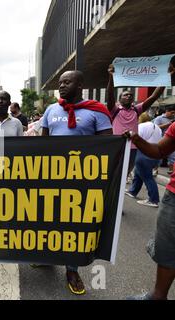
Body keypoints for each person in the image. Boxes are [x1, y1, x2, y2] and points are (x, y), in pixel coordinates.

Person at [41, 70, 113, 295]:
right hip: (52, 177)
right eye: (60, 83)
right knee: (50, 220)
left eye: (67, 82)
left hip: (81, 180)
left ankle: (71, 269)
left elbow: (108, 146)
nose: (61, 86)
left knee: (74, 225)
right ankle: (47, 257)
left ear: (80, 84)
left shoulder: (96, 111)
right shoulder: (51, 110)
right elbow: (42, 143)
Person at [127, 122, 175, 300]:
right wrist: (137, 139)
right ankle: (157, 296)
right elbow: (159, 151)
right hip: (174, 198)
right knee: (167, 248)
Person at [107, 64, 166, 177]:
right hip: (117, 146)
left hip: (133, 147)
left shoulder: (137, 109)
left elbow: (153, 97)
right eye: (125, 95)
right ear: (119, 99)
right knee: (114, 174)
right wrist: (111, 76)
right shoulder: (115, 110)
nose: (129, 96)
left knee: (125, 174)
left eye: (130, 95)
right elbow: (110, 95)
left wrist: (165, 78)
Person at [125, 113, 162, 207]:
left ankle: (153, 200)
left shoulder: (141, 126)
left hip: (143, 154)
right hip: (155, 153)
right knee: (138, 172)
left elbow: (135, 139)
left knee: (147, 177)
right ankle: (133, 191)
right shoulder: (157, 127)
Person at [154, 104, 175, 174]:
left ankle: (171, 171)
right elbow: (155, 127)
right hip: (161, 140)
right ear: (167, 111)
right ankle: (155, 169)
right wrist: (168, 124)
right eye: (172, 112)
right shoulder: (159, 118)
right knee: (158, 156)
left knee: (172, 157)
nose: (173, 114)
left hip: (171, 141)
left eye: (174, 113)